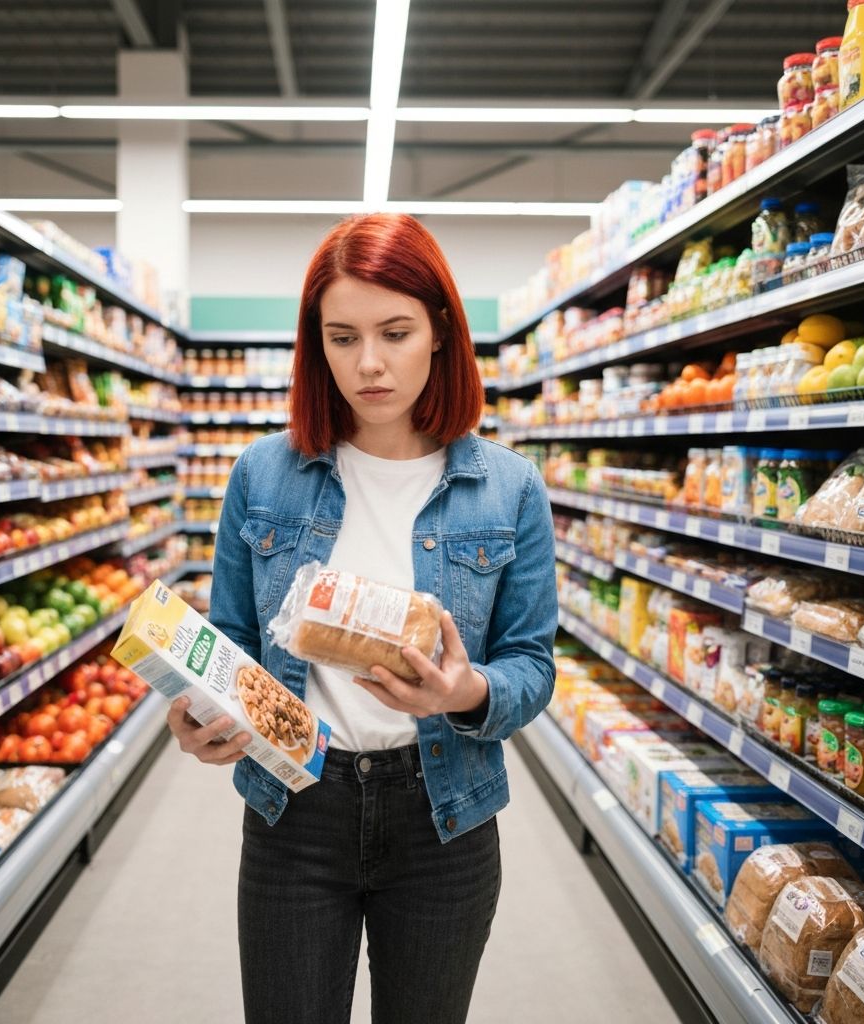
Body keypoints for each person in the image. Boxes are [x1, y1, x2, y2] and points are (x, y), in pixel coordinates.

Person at [165, 213, 557, 1024]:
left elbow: (531, 663)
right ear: (316, 345)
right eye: (342, 338)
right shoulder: (262, 475)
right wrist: (203, 709)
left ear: (442, 330)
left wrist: (466, 693)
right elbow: (232, 638)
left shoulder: (509, 487)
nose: (369, 364)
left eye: (396, 331)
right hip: (295, 809)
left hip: (443, 814)